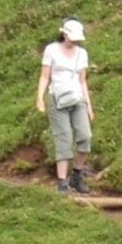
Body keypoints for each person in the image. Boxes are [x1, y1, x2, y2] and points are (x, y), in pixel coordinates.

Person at [36, 18, 95, 193]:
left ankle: (77, 175)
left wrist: (89, 105)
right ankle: (62, 181)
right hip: (57, 99)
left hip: (77, 99)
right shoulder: (51, 50)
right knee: (64, 138)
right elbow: (45, 76)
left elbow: (82, 80)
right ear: (64, 34)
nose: (74, 41)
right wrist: (39, 97)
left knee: (85, 137)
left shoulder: (82, 53)